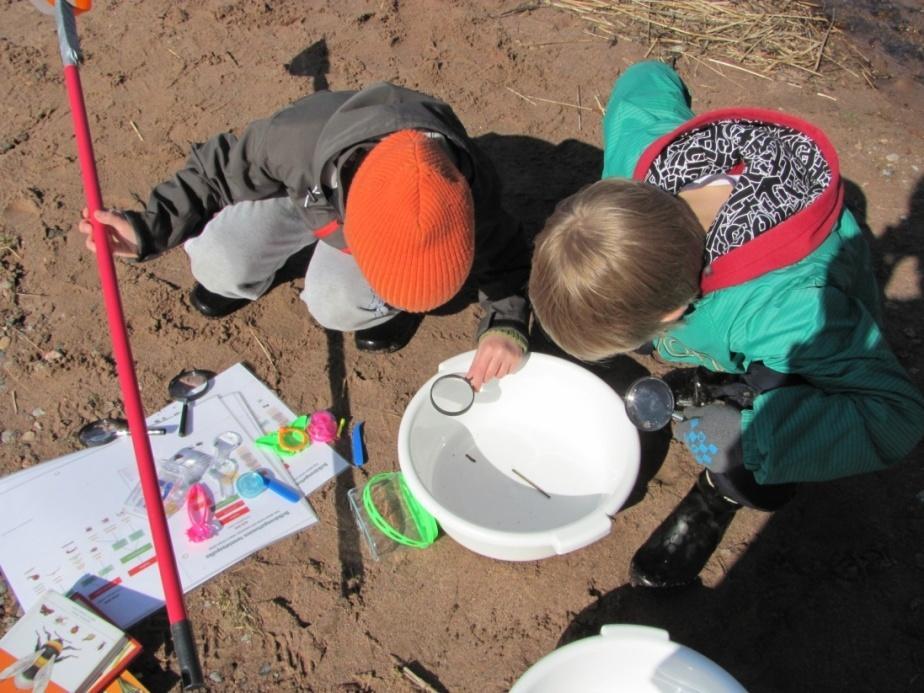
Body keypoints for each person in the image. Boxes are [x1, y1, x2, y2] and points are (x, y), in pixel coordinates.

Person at [528, 61, 924, 588]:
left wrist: (758, 441)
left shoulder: (784, 313)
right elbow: (645, 81)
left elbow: (897, 416)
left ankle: (723, 492)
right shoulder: (637, 163)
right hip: (723, 314)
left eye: (643, 338)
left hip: (790, 346)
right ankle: (707, 383)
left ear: (672, 316)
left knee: (743, 457)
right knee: (706, 392)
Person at [78, 82, 530, 390]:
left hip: (345, 209)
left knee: (334, 302)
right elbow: (215, 173)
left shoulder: (469, 189)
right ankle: (284, 266)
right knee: (218, 261)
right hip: (307, 197)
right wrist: (149, 227)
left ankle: (392, 305)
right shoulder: (296, 140)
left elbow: (506, 258)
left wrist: (506, 325)